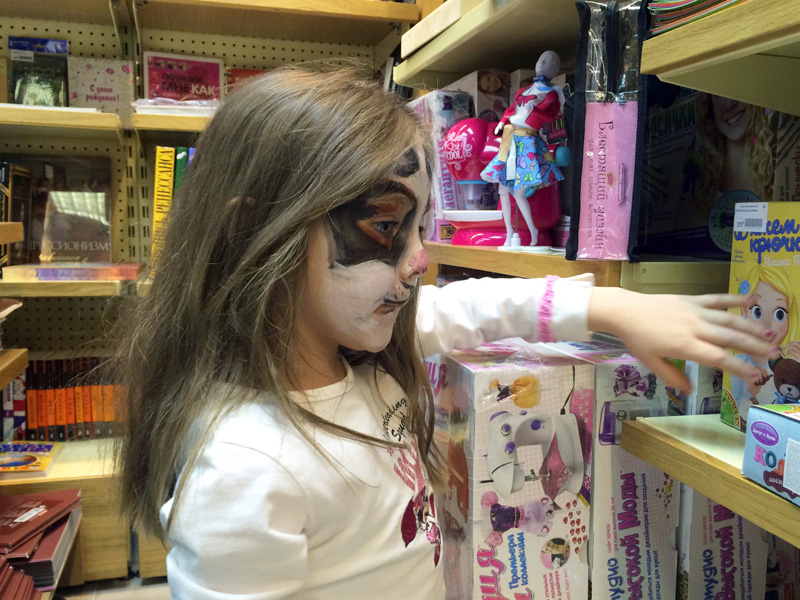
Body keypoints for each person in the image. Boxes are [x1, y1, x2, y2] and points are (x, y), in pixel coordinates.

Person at [112, 67, 779, 599]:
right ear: (254, 233)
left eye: (421, 227)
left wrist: (612, 309)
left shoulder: (358, 352)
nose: (420, 260)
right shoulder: (243, 471)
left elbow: (478, 308)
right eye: (385, 226)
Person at [729, 261, 800, 421]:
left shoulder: (791, 361)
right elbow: (733, 414)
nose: (767, 325)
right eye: (757, 311)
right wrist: (752, 393)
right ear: (743, 310)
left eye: (779, 314)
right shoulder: (739, 363)